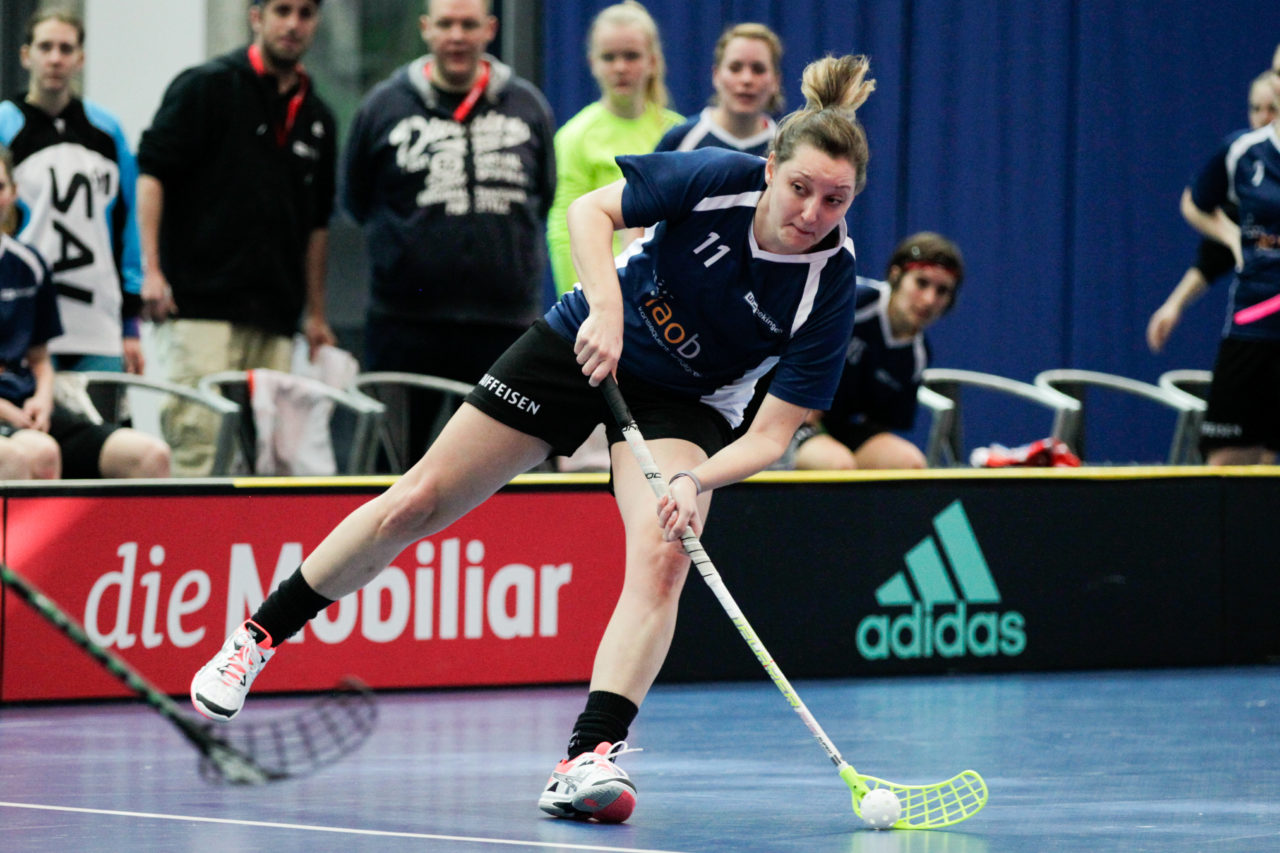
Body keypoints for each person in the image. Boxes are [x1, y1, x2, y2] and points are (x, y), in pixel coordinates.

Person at [189, 54, 876, 824]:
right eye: (801, 188)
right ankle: (254, 638)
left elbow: (774, 432)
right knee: (415, 501)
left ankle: (586, 757)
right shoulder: (718, 176)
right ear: (772, 164)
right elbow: (591, 212)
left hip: (687, 401)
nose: (813, 212)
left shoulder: (830, 285)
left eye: (836, 200)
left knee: (661, 556)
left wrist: (697, 480)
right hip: (584, 339)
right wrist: (608, 312)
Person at [343, 0, 556, 463]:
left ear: (490, 29)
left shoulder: (528, 106)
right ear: (425, 29)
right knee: (393, 467)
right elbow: (356, 201)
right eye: (445, 24)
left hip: (505, 325)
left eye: (468, 24)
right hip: (405, 324)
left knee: (507, 468)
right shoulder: (382, 107)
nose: (456, 36)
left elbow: (544, 195)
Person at [136, 0, 337, 476]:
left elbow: (318, 223)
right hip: (201, 308)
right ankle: (188, 552)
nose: (292, 24)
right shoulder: (206, 86)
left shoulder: (318, 115)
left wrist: (317, 313)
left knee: (272, 460)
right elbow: (151, 176)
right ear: (256, 16)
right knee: (200, 451)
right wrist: (150, 271)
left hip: (276, 317)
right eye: (282, 10)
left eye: (305, 13)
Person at [0, 145, 168, 480]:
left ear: (14, 193)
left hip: (28, 405)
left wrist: (44, 399)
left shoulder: (30, 265)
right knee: (32, 455)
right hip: (12, 420)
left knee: (150, 456)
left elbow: (40, 360)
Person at [0, 10, 144, 375]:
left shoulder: (107, 131)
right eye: (45, 47)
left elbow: (128, 225)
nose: (55, 58)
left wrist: (131, 323)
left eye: (66, 49)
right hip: (24, 321)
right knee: (33, 428)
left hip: (97, 322)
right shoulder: (5, 124)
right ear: (25, 55)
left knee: (103, 430)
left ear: (80, 59)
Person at [546, 0, 683, 298]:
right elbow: (563, 230)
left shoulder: (677, 132)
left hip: (669, 297)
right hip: (602, 294)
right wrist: (581, 302)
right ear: (592, 62)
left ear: (652, 61)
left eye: (631, 56)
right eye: (609, 57)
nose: (620, 67)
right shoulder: (574, 137)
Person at [792, 232, 963, 470]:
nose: (929, 299)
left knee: (910, 464)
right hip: (792, 416)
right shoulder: (851, 301)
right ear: (896, 275)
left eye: (942, 291)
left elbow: (880, 426)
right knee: (838, 465)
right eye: (921, 283)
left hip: (844, 431)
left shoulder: (918, 355)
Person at [1181, 67, 1280, 465]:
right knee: (1224, 461)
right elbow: (1196, 203)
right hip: (1252, 328)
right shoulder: (1243, 152)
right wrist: (1233, 239)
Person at [1147, 70, 1278, 354]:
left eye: (1272, 109)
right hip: (1260, 328)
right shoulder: (1244, 163)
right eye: (1255, 108)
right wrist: (1173, 305)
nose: (1262, 117)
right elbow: (1209, 254)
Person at [654, 22, 783, 158]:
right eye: (735, 68)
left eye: (758, 69)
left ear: (776, 80)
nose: (747, 79)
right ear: (716, 75)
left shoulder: (788, 147)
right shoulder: (679, 141)